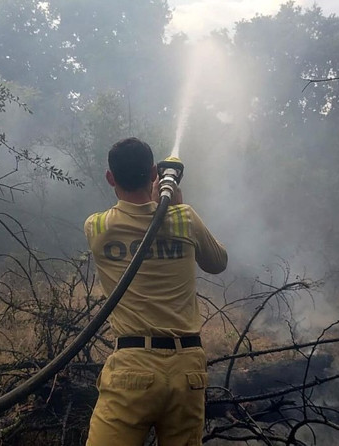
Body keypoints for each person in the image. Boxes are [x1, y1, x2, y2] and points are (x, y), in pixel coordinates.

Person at [84, 137, 228, 446]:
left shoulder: (96, 228)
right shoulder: (184, 220)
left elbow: (135, 221)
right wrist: (173, 208)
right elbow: (218, 263)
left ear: (110, 178)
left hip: (132, 369)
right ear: (153, 174)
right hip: (187, 371)